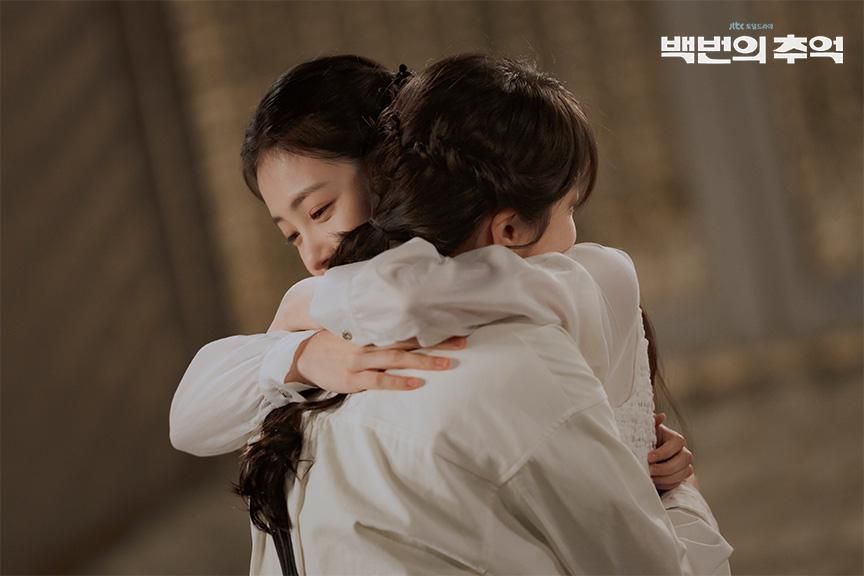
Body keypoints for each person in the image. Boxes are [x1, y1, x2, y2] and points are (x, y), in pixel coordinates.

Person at [230, 53, 731, 574]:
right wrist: (680, 495)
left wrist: (299, 330)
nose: (314, 256)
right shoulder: (519, 365)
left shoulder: (295, 382)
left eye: (320, 212)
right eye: (569, 209)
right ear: (510, 228)